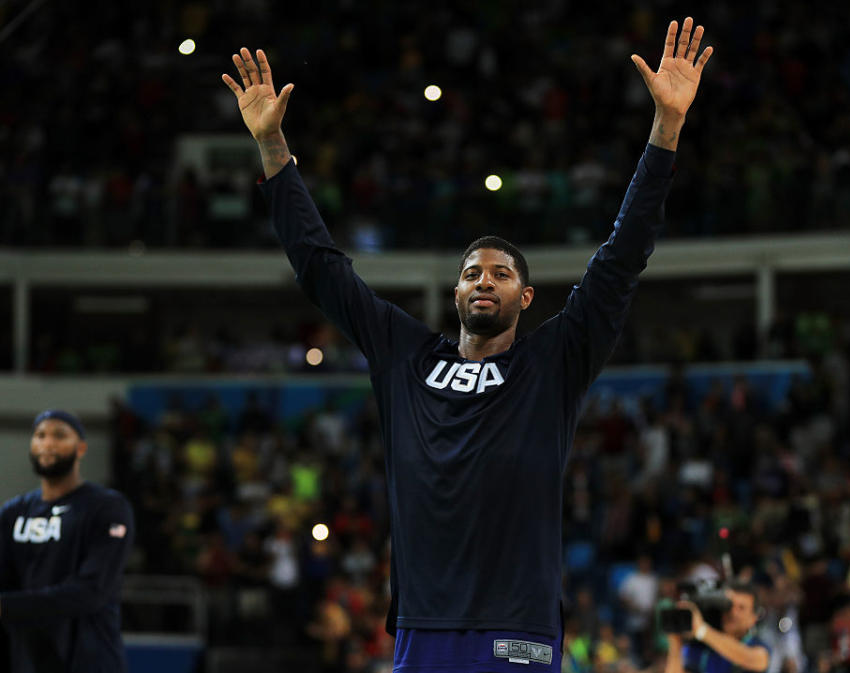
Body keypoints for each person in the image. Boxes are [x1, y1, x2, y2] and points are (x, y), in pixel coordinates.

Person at [222, 16, 713, 672]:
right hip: (423, 624)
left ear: (525, 298)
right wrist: (274, 148)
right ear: (455, 292)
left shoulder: (551, 361)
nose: (485, 280)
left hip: (516, 623)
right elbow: (320, 266)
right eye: (473, 272)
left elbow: (622, 257)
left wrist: (666, 130)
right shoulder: (406, 355)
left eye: (502, 273)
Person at [0, 410, 135, 673]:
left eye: (59, 435)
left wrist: (6, 605)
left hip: (89, 660)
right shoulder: (12, 512)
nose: (47, 443)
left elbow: (91, 592)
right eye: (40, 435)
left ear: (81, 448)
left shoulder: (107, 508)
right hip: (26, 659)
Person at [665, 583, 771, 673]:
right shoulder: (704, 648)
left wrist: (701, 629)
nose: (733, 612)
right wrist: (675, 642)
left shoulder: (757, 646)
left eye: (741, 608)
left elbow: (749, 658)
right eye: (729, 605)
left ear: (753, 618)